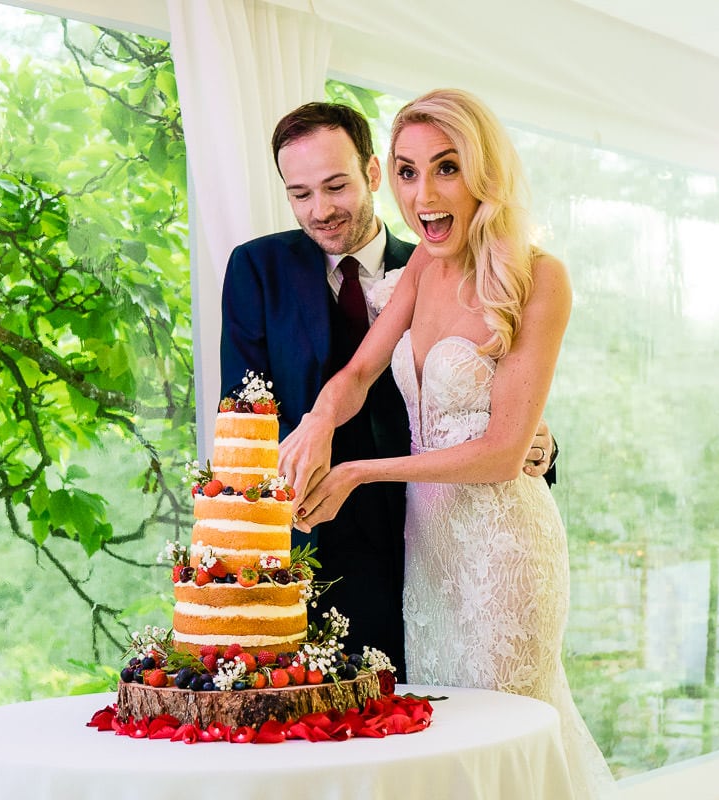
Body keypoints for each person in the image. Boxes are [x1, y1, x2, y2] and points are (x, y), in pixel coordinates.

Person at [278, 89, 614, 798]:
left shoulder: (540, 277)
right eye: (405, 171)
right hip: (428, 552)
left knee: (509, 752)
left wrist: (359, 471)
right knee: (450, 756)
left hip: (504, 556)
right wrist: (316, 423)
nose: (421, 193)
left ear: (484, 174)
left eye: (446, 168)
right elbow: (363, 370)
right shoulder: (424, 269)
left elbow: (501, 453)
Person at [220, 101, 556, 678]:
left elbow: (505, 413)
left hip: (441, 541)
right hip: (318, 549)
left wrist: (541, 443)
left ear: (371, 174)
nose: (321, 210)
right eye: (300, 193)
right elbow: (249, 416)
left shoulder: (447, 258)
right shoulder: (259, 269)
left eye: (336, 185)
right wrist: (314, 432)